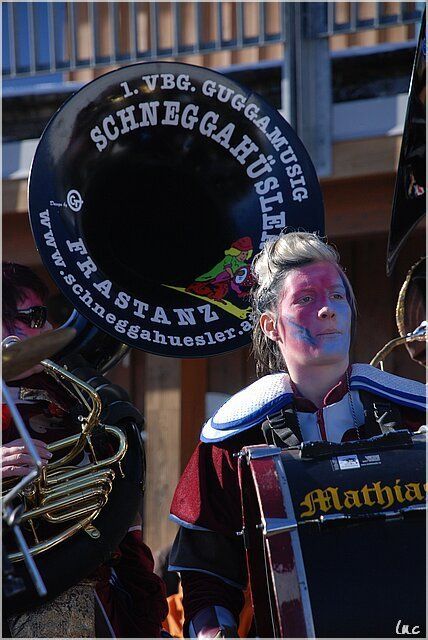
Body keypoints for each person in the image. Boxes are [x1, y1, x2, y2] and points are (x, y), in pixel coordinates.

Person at [168, 231, 426, 638]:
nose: (328, 310)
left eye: (338, 296)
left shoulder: (415, 416)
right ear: (271, 325)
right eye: (306, 299)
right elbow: (208, 578)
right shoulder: (232, 439)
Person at [2, 262, 168, 638]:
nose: (48, 328)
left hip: (79, 587)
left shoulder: (74, 394)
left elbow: (121, 510)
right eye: (34, 317)